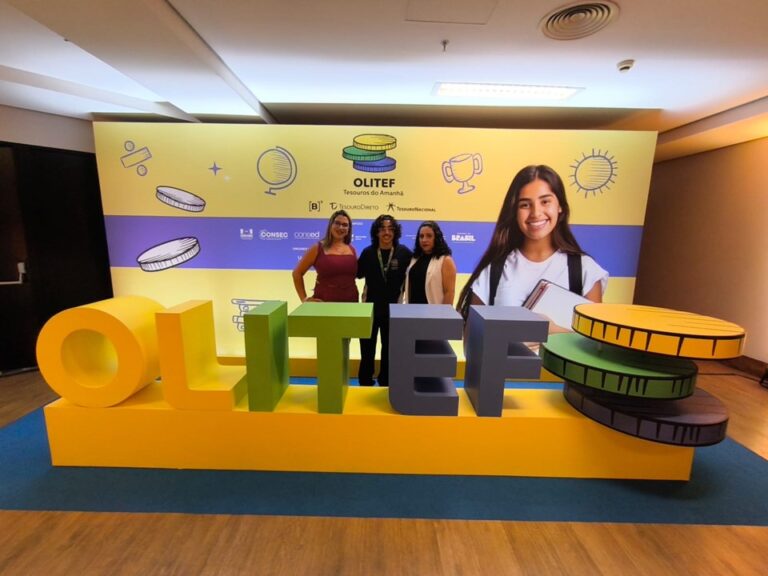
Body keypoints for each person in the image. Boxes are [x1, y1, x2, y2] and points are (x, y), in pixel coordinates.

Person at [456, 164, 607, 323]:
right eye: (525, 205)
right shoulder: (494, 270)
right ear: (514, 211)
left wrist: (550, 330)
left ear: (560, 206)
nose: (536, 213)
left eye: (545, 201)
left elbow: (594, 336)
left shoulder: (585, 270)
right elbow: (472, 334)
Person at [356, 214, 413, 386]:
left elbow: (417, 274)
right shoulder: (368, 253)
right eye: (382, 229)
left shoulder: (404, 253)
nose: (386, 232)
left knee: (389, 349)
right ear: (376, 232)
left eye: (390, 229)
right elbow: (356, 274)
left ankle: (386, 381)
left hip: (393, 310)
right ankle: (365, 382)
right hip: (369, 309)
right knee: (367, 349)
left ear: (395, 232)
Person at [292, 209, 358, 303]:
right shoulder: (317, 248)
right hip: (324, 302)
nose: (340, 227)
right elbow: (297, 273)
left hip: (351, 302)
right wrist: (304, 299)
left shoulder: (352, 250)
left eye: (345, 225)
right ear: (331, 226)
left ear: (348, 229)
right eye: (337, 223)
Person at [403, 220, 457, 305]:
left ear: (436, 238)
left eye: (429, 236)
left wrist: (444, 313)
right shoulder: (415, 259)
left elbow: (449, 292)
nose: (424, 240)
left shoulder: (445, 260)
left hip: (434, 312)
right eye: (421, 236)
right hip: (412, 310)